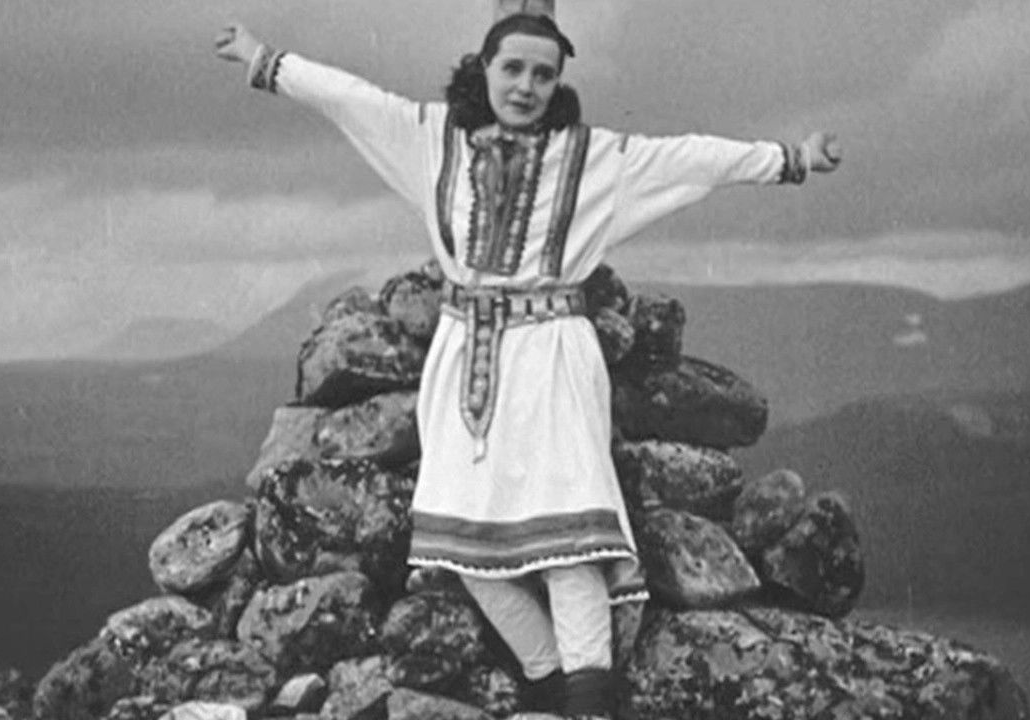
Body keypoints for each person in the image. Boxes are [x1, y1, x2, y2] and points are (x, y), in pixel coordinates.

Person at [215, 3, 839, 717]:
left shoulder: (590, 158)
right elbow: (352, 99)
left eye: (543, 75)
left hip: (553, 361)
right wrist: (265, 60)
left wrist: (791, 159)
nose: (526, 86)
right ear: (484, 69)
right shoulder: (434, 139)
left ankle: (588, 703)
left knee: (571, 546)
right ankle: (548, 679)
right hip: (465, 362)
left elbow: (690, 157)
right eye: (512, 68)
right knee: (464, 546)